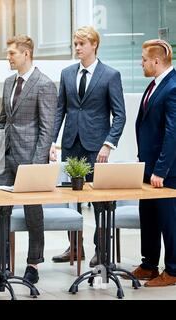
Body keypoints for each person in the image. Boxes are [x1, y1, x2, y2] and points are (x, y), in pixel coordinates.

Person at [0, 35, 58, 283]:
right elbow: (1, 121)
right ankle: (0, 263)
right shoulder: (9, 83)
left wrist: (37, 163)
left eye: (11, 53)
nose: (7, 57)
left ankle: (33, 264)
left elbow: (47, 128)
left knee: (33, 211)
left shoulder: (44, 84)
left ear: (26, 53)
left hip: (31, 158)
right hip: (5, 157)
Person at [49, 26, 126, 267]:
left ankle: (101, 250)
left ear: (94, 45)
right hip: (71, 144)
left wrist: (108, 144)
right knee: (73, 198)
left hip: (96, 148)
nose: (77, 48)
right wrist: (53, 141)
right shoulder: (66, 73)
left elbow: (120, 115)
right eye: (75, 44)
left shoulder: (110, 75)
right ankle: (75, 247)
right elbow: (60, 109)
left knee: (99, 199)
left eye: (82, 44)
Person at [128, 39, 176, 287]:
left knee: (169, 221)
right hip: (147, 168)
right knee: (148, 217)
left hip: (165, 172)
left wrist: (160, 170)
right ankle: (149, 265)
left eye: (144, 60)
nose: (141, 63)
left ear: (157, 61)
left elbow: (172, 133)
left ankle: (174, 270)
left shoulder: (173, 86)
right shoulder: (155, 85)